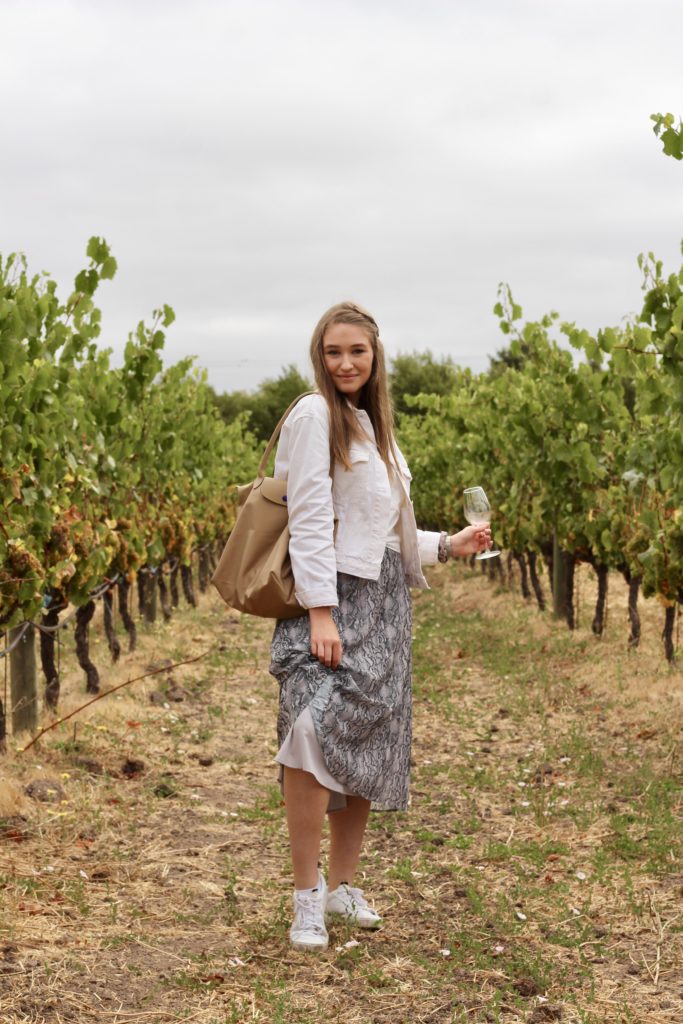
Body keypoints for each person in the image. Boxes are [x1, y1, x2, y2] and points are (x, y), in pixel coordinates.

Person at [269, 301, 491, 952]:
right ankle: (305, 899)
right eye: (333, 351)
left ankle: (341, 889)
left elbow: (381, 531)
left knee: (364, 745)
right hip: (331, 598)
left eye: (356, 352)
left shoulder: (374, 427)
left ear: (375, 355)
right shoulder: (314, 416)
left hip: (384, 603)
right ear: (319, 354)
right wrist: (317, 611)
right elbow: (309, 516)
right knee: (310, 739)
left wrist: (448, 545)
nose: (345, 363)